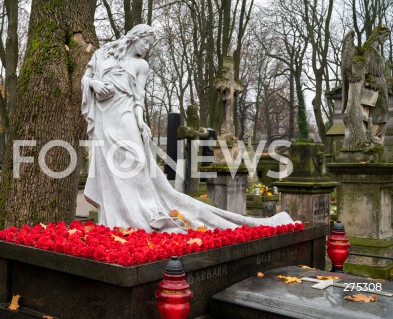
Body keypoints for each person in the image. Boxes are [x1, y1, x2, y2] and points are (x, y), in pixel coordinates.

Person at [81, 24, 294, 233]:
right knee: (112, 171)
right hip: (104, 120)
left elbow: (138, 98)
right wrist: (93, 84)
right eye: (145, 42)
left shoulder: (141, 66)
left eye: (150, 45)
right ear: (135, 37)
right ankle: (115, 220)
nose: (146, 48)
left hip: (126, 116)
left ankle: (138, 215)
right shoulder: (102, 55)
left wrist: (141, 121)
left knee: (135, 165)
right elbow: (85, 78)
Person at [362, 26, 390, 145]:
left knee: (384, 111)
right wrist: (370, 79)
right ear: (379, 35)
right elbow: (362, 69)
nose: (386, 39)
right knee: (379, 110)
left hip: (382, 84)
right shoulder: (367, 50)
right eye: (385, 36)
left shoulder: (377, 52)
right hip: (375, 86)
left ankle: (377, 138)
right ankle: (372, 136)